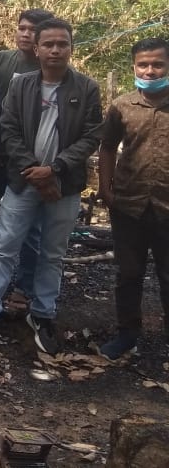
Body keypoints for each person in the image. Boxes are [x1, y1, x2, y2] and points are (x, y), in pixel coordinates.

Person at [0, 18, 103, 354]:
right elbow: (9, 131)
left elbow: (92, 135)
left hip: (64, 186)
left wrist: (56, 168)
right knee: (5, 248)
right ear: (36, 49)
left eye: (61, 44)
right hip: (22, 183)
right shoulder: (21, 86)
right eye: (48, 44)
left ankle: (44, 315)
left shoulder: (85, 88)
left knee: (52, 253)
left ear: (70, 48)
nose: (55, 50)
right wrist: (33, 169)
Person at [97, 37, 169, 360]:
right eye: (143, 64)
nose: (150, 70)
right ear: (134, 67)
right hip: (128, 204)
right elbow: (107, 147)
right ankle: (127, 334)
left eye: (158, 64)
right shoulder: (122, 106)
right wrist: (106, 188)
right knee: (128, 273)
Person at [0, 8, 54, 317]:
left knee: (33, 232)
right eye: (21, 27)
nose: (25, 33)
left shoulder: (51, 70)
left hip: (31, 164)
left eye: (32, 29)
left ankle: (24, 287)